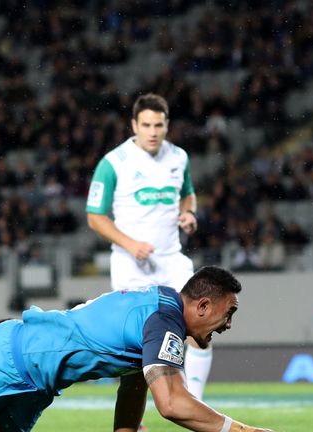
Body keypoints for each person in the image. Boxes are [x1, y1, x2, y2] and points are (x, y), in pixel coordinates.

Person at [0, 266, 273, 432]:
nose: (229, 323)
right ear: (202, 304)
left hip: (35, 376)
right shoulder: (164, 321)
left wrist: (124, 431)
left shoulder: (159, 305)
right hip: (17, 361)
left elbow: (135, 383)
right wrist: (244, 431)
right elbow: (173, 403)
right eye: (227, 312)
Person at [86, 93, 212, 400]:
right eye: (146, 125)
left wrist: (188, 213)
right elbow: (94, 217)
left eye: (158, 125)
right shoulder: (113, 163)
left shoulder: (178, 157)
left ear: (167, 125)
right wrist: (130, 244)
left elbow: (188, 193)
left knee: (201, 325)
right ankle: (134, 416)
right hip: (131, 263)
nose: (153, 132)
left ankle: (193, 401)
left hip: (171, 258)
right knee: (134, 345)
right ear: (134, 125)